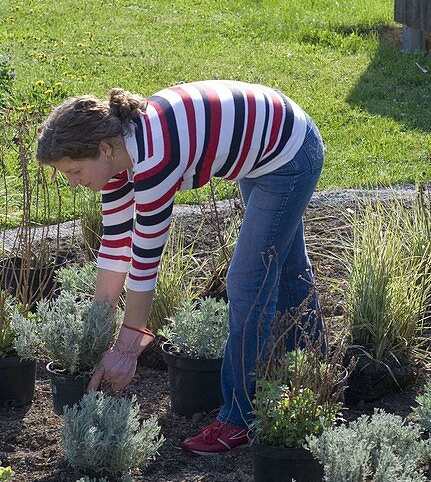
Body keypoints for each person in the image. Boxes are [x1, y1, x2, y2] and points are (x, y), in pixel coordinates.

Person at [36, 80, 325, 454]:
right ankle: (316, 379)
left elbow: (145, 259)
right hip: (266, 148)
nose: (74, 183)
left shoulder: (155, 158)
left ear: (103, 149)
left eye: (74, 171)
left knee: (247, 282)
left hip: (287, 153)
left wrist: (127, 348)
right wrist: (99, 324)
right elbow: (117, 243)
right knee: (284, 269)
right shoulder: (119, 158)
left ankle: (240, 418)